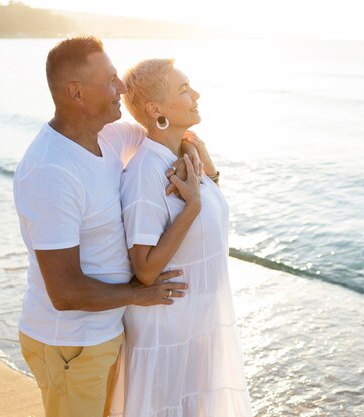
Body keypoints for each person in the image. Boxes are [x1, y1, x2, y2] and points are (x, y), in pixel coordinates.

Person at [13, 37, 196, 417]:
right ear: (75, 92)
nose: (123, 88)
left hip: (104, 333)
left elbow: (170, 133)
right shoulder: (52, 172)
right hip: (69, 343)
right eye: (111, 80)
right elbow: (64, 292)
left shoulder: (108, 137)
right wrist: (138, 294)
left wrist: (194, 160)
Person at [110, 59, 253, 417]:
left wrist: (206, 166)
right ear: (155, 109)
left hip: (198, 323)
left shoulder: (184, 155)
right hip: (167, 331)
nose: (196, 95)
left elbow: (212, 216)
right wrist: (191, 208)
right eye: (184, 90)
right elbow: (144, 269)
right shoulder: (145, 172)